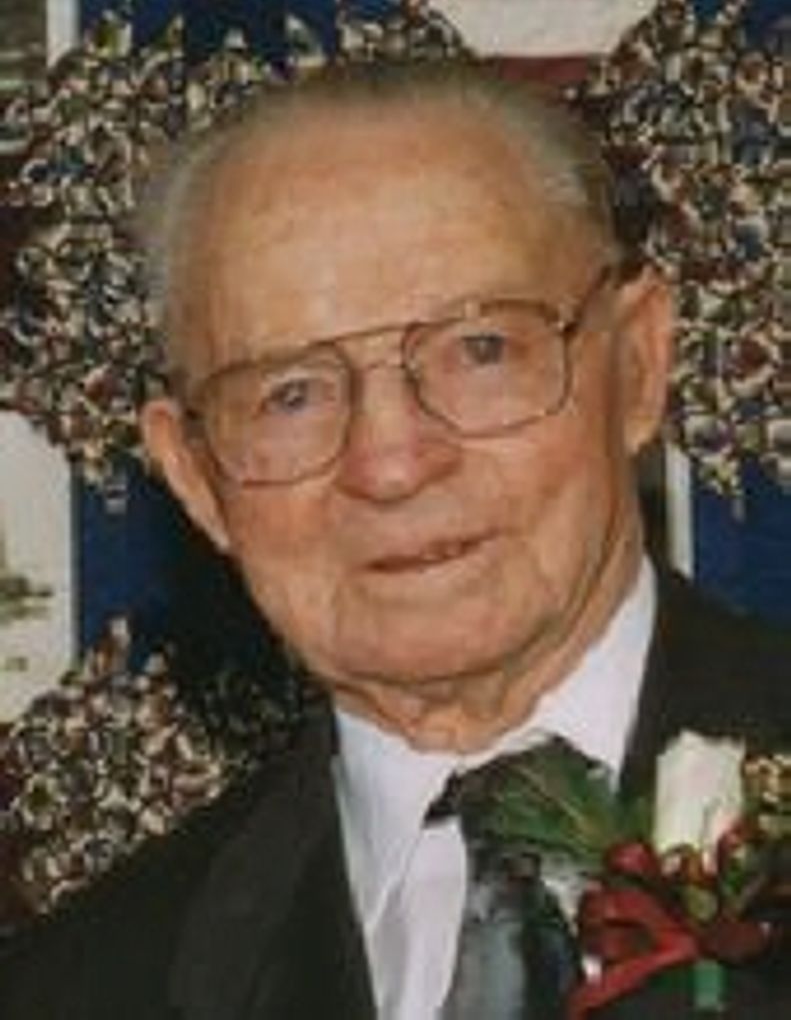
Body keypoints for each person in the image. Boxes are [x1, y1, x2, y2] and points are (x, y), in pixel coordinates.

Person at [0, 60, 788, 1020]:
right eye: (291, 394)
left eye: (479, 349)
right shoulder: (80, 987)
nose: (390, 463)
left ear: (637, 364)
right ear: (196, 478)